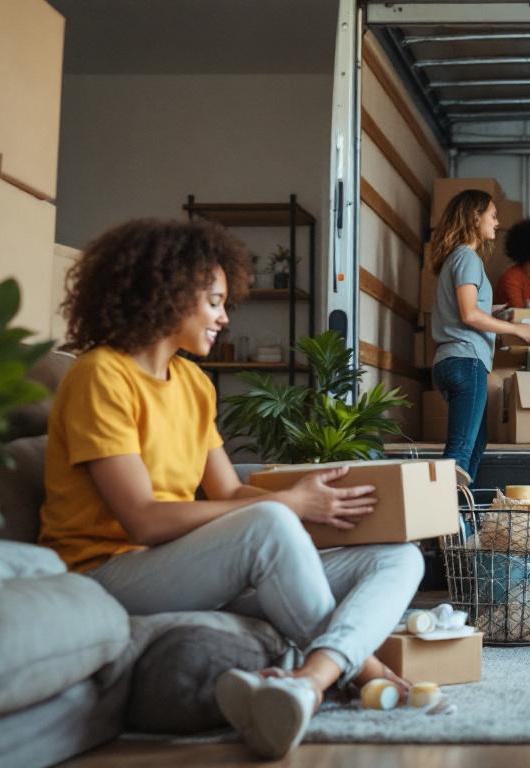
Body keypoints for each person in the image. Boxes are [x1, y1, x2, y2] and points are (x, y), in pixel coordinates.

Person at [39, 218, 424, 759]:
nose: (223, 317)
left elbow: (225, 489)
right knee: (270, 522)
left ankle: (308, 683)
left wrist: (307, 496)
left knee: (398, 557)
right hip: (108, 572)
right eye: (215, 302)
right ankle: (366, 672)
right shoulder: (102, 376)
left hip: (184, 566)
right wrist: (284, 505)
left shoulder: (193, 384)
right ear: (168, 294)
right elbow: (143, 519)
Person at [430, 190, 530, 484]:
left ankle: (461, 519)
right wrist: (518, 329)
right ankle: (446, 523)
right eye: (492, 215)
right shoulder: (467, 258)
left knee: (475, 445)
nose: (497, 221)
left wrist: (491, 309)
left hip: (451, 361)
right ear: (474, 217)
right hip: (466, 361)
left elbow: (465, 308)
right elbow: (469, 315)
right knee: (460, 453)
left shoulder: (455, 259)